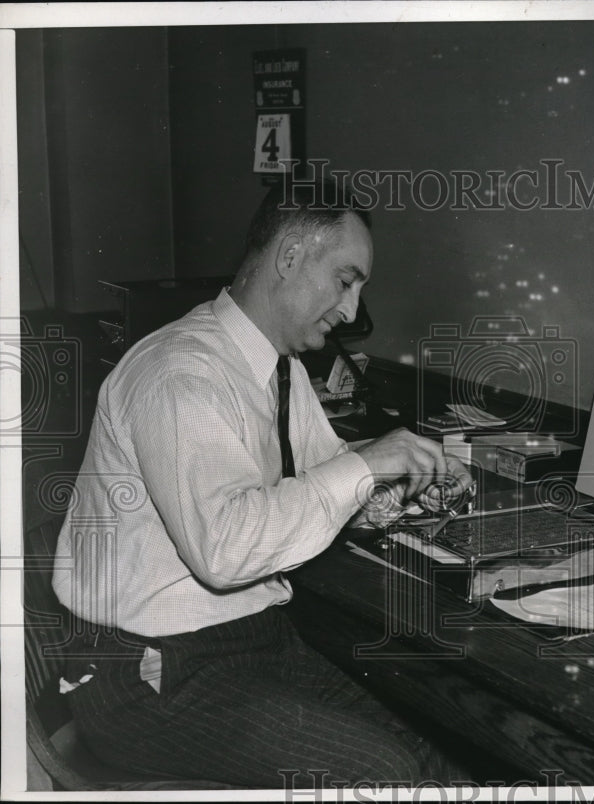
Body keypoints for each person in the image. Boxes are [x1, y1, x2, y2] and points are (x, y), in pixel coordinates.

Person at [52, 177, 473, 788]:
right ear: (291, 256)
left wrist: (397, 483)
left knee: (436, 762)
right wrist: (366, 466)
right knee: (387, 773)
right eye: (346, 280)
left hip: (250, 640)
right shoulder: (179, 372)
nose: (353, 309)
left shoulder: (277, 368)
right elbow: (224, 550)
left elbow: (318, 481)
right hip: (149, 669)